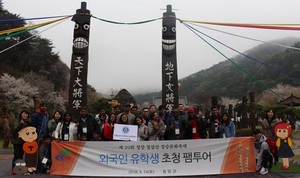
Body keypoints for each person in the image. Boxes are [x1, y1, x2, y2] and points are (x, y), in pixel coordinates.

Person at [10, 110, 31, 175]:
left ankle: (20, 169)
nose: (25, 115)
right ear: (21, 114)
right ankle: (13, 169)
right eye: (24, 114)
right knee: (17, 155)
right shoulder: (17, 121)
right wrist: (20, 124)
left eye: (26, 114)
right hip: (16, 141)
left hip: (23, 141)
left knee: (21, 155)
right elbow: (15, 130)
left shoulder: (27, 122)